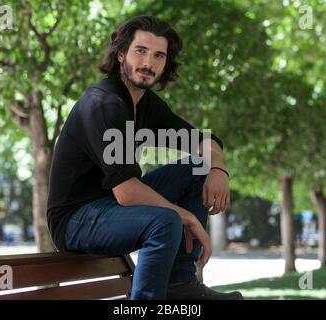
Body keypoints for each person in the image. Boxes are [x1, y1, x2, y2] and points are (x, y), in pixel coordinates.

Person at [46, 15, 243, 300]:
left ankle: (179, 285)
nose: (148, 63)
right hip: (76, 220)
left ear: (166, 64)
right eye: (141, 51)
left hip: (112, 209)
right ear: (121, 54)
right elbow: (127, 192)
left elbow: (203, 140)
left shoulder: (145, 105)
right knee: (166, 221)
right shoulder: (105, 103)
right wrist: (188, 218)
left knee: (199, 167)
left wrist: (219, 169)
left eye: (158, 55)